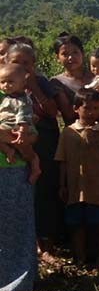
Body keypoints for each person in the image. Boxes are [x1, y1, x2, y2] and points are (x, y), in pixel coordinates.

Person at [6, 42, 62, 257]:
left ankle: (46, 244)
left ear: (34, 64)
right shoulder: (4, 83)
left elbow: (52, 111)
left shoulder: (42, 82)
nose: (21, 66)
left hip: (44, 142)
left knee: (44, 190)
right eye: (16, 62)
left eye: (26, 63)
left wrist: (34, 87)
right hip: (12, 144)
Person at [56, 89, 99, 268]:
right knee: (76, 224)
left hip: (98, 187)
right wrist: (62, 185)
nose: (91, 112)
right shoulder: (68, 133)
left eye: (95, 108)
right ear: (76, 109)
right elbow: (62, 160)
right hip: (75, 188)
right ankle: (80, 258)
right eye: (87, 108)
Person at [0, 98, 37, 291]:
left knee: (16, 224)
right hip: (12, 164)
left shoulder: (17, 97)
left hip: (15, 168)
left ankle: (17, 282)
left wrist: (25, 147)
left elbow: (31, 135)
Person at [0, 62, 41, 182]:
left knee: (27, 151)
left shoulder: (21, 100)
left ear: (22, 83)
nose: (6, 85)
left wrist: (22, 132)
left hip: (19, 129)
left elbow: (23, 116)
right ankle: (9, 151)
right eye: (2, 82)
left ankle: (35, 167)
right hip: (8, 127)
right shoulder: (8, 97)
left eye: (10, 82)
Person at [51, 33, 90, 125]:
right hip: (76, 131)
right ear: (57, 57)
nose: (71, 57)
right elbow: (69, 114)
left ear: (82, 53)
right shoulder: (57, 82)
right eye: (65, 54)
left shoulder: (97, 76)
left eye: (75, 52)